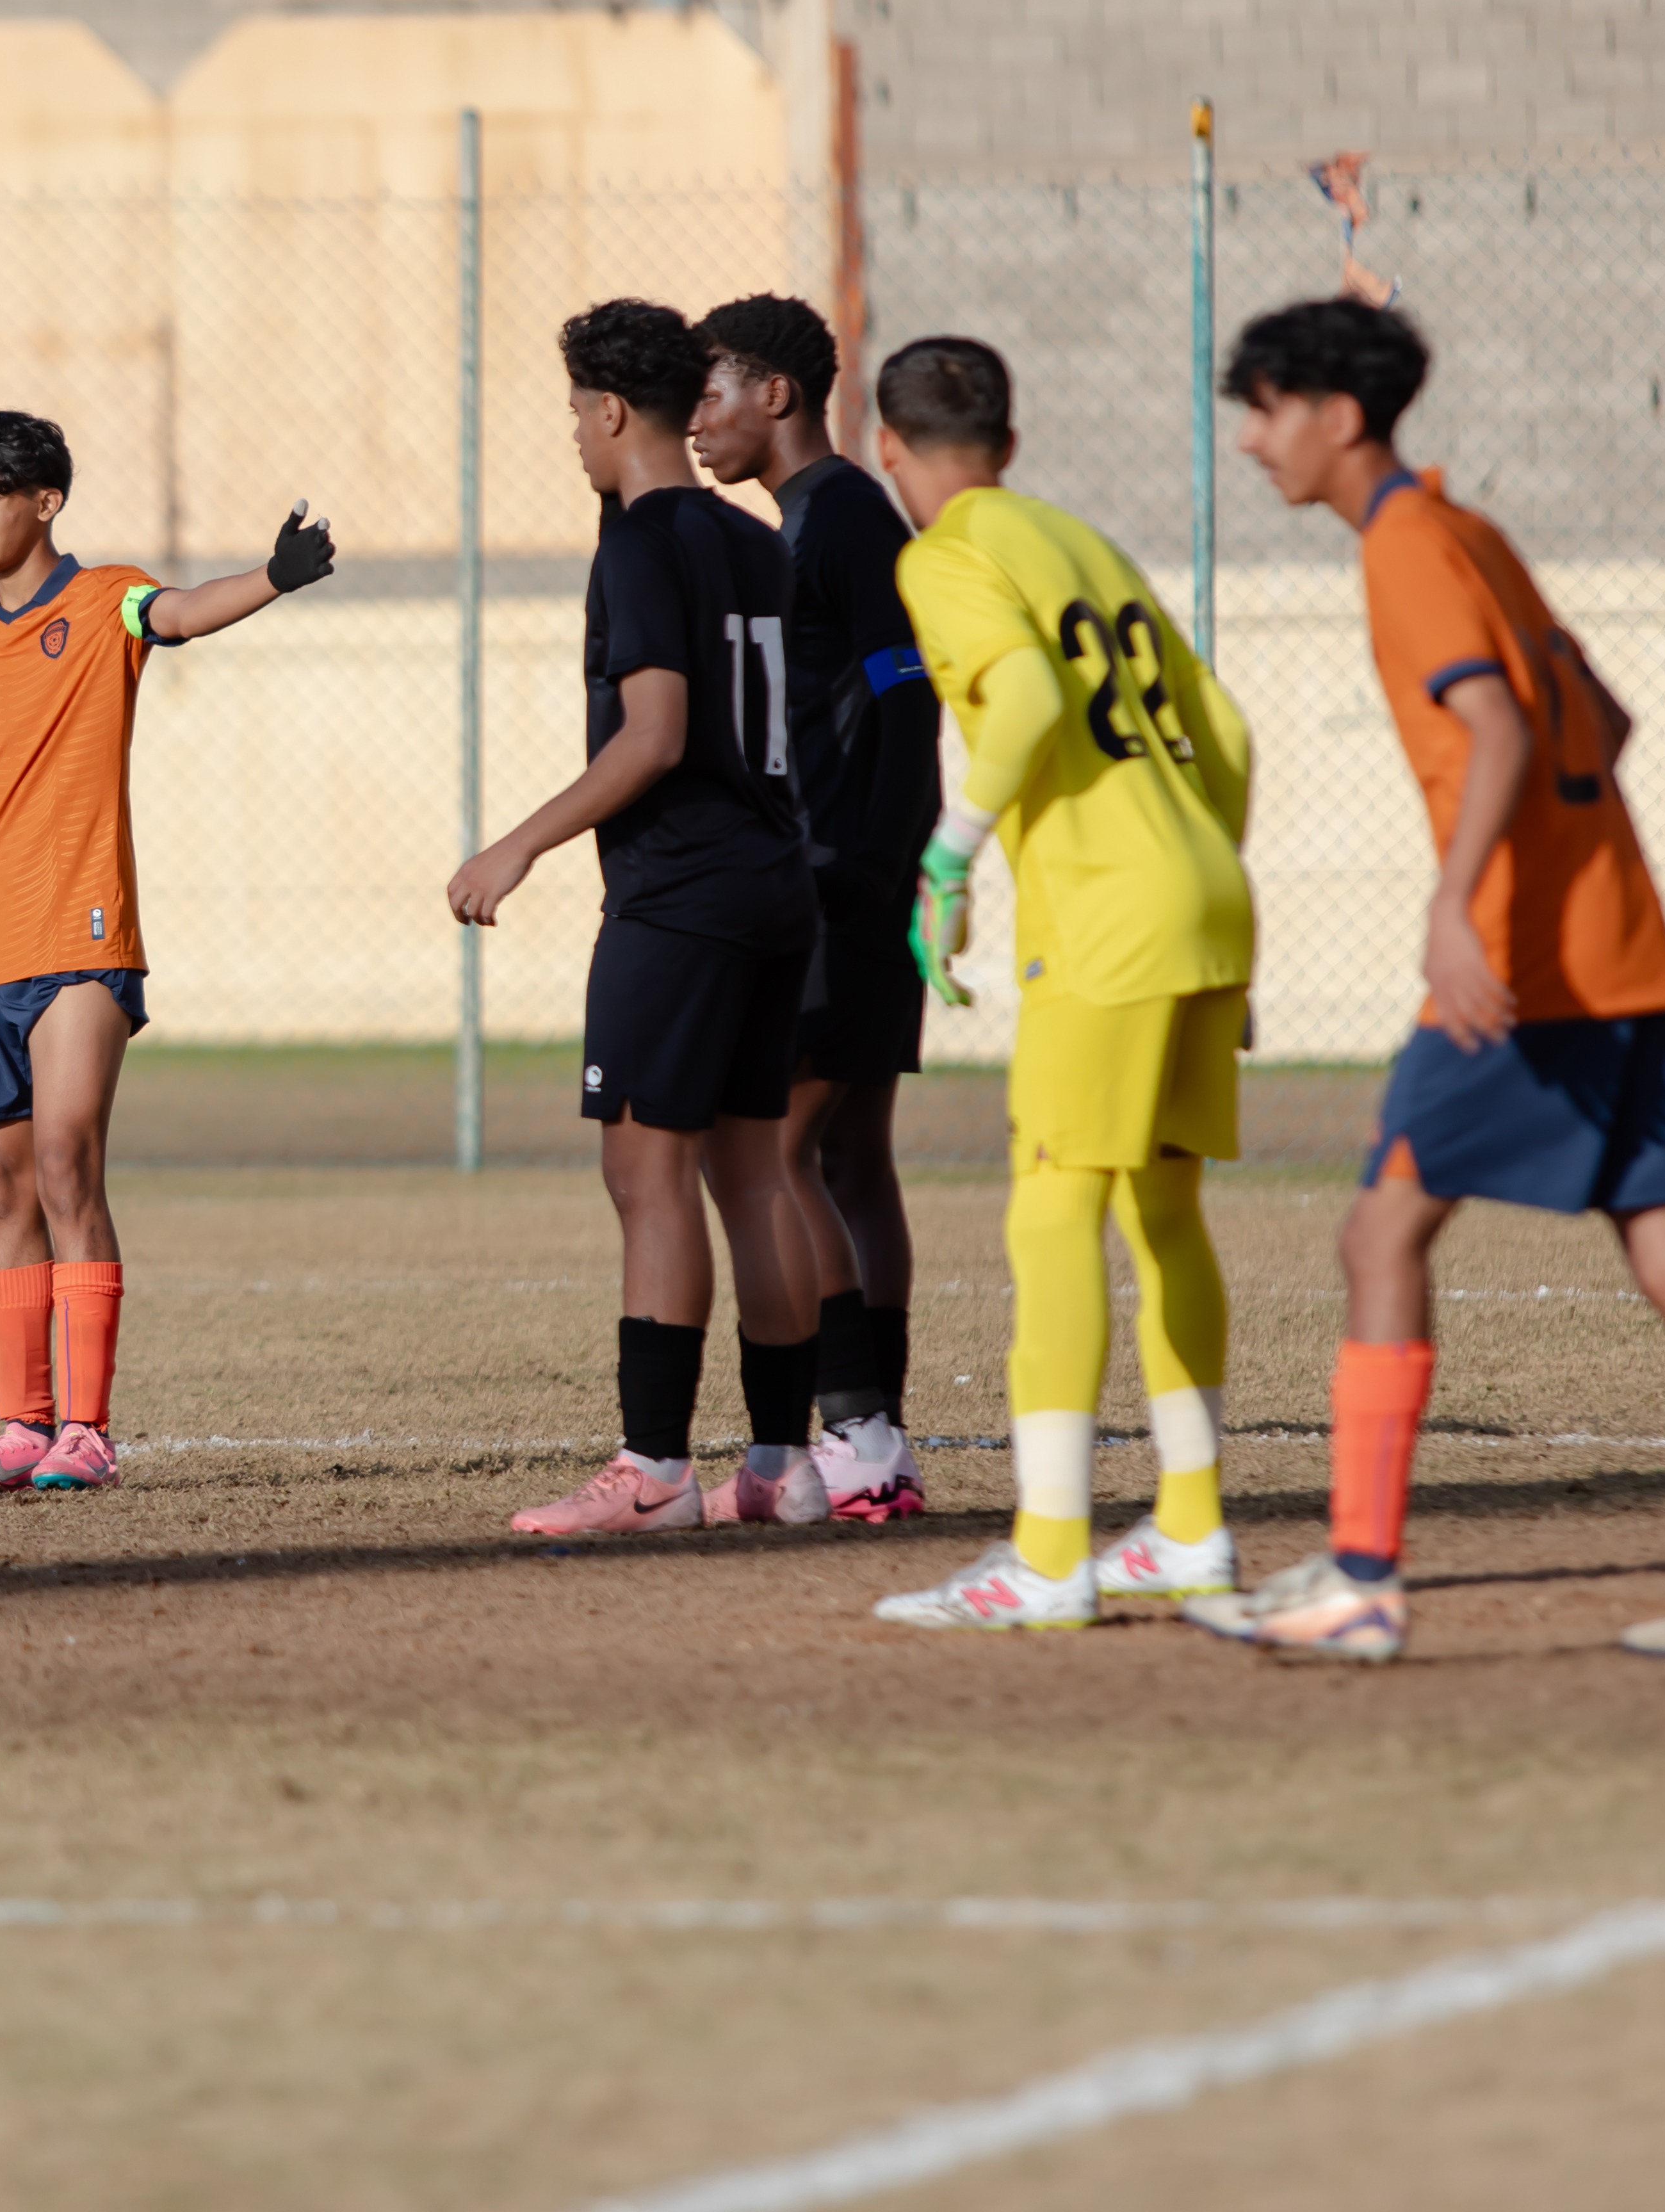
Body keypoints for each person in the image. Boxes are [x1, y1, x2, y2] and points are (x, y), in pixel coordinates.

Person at [1188, 298, 1665, 1661]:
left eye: (1267, 407)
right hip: (1624, 950)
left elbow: (1495, 725)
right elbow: (1604, 716)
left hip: (1522, 970)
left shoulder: (1409, 547)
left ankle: (1361, 1572)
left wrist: (1452, 906)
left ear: (1338, 415)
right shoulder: (1469, 530)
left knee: (1381, 1234)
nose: (1252, 440)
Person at [0, 411, 335, 1493]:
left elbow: (175, 614)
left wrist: (269, 578)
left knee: (65, 1162)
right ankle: (20, 1427)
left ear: (46, 501)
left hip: (81, 936)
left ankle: (86, 1431)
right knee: (3, 1195)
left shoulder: (103, 602)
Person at [864, 336, 1257, 1633]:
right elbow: (1230, 729)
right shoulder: (1081, 539)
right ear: (1012, 448)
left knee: (1051, 1214)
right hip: (1203, 887)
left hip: (1104, 918)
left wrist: (946, 856)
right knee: (1164, 1214)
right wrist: (1202, 875)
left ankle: (1047, 1554)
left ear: (890, 450)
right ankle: (1190, 1531)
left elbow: (1025, 697)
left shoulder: (942, 554)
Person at [455, 301, 825, 1538]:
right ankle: (784, 1464)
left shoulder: (644, 544)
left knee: (645, 1167)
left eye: (573, 412)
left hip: (682, 898)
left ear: (610, 411)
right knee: (751, 1170)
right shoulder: (754, 537)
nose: (571, 435)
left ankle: (655, 1471)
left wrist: (519, 843)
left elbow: (657, 735)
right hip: (777, 886)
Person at [690, 295, 941, 1522]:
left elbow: (906, 685)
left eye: (712, 393)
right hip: (858, 875)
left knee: (781, 1152)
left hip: (842, 880)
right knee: (850, 1156)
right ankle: (875, 1439)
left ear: (775, 395)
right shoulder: (804, 521)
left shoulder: (838, 517)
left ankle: (852, 1431)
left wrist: (871, 857)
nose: (695, 422)